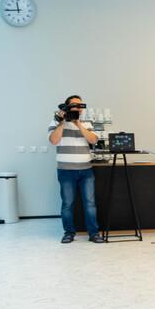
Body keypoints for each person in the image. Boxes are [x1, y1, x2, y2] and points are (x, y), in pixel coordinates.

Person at [47, 95, 103, 244]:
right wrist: (62, 122)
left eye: (80, 106)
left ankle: (94, 233)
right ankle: (69, 233)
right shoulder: (56, 122)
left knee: (90, 203)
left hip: (86, 170)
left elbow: (93, 140)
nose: (78, 108)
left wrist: (78, 123)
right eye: (74, 105)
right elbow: (54, 140)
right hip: (66, 170)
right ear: (66, 107)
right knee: (68, 204)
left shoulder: (87, 123)